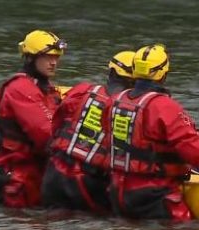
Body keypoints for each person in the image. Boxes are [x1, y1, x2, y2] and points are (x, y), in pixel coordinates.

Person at [108, 44, 199, 220]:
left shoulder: (117, 101)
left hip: (118, 192)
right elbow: (192, 146)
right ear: (163, 74)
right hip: (152, 194)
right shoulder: (164, 106)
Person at [41, 51, 136, 213]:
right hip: (87, 184)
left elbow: (57, 121)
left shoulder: (83, 90)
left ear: (111, 72)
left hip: (54, 174)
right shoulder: (129, 108)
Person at [0, 30, 66, 208]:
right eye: (47, 57)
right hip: (19, 182)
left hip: (35, 178)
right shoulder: (20, 89)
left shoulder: (45, 89)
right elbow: (46, 134)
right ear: (31, 58)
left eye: (56, 57)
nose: (53, 62)